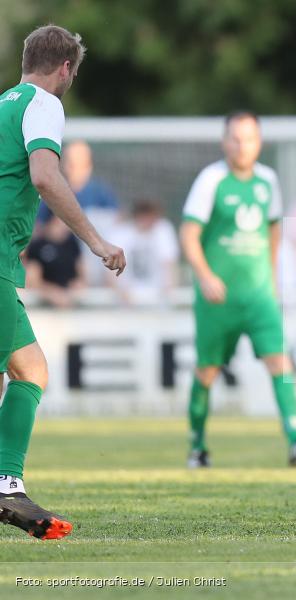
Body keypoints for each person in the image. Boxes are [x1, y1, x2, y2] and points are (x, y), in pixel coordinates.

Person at [0, 25, 126, 540]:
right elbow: (46, 176)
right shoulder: (44, 103)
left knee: (24, 368)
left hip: (6, 263)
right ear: (66, 69)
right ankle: (7, 483)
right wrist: (96, 241)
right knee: (30, 372)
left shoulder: (4, 102)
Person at [180, 111, 296, 469]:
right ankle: (197, 447)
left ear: (259, 142)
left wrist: (271, 278)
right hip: (218, 298)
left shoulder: (267, 180)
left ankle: (295, 441)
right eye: (236, 139)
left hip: (259, 296)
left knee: (280, 362)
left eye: (249, 139)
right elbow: (189, 233)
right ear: (224, 141)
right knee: (207, 371)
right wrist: (205, 276)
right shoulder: (211, 179)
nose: (243, 146)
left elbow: (273, 230)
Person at [37, 139, 121, 286]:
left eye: (77, 164)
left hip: (95, 264)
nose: (71, 168)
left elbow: (117, 224)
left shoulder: (100, 192)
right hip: (64, 266)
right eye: (69, 162)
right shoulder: (53, 192)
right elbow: (40, 229)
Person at [108, 200, 180, 306]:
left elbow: (170, 265)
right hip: (127, 299)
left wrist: (169, 292)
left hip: (157, 298)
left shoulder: (163, 230)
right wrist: (122, 294)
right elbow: (110, 271)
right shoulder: (120, 234)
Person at [25, 214, 86, 307]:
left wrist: (77, 285)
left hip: (69, 297)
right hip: (44, 301)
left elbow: (81, 273)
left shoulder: (72, 244)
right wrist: (52, 292)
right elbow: (32, 279)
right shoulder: (37, 245)